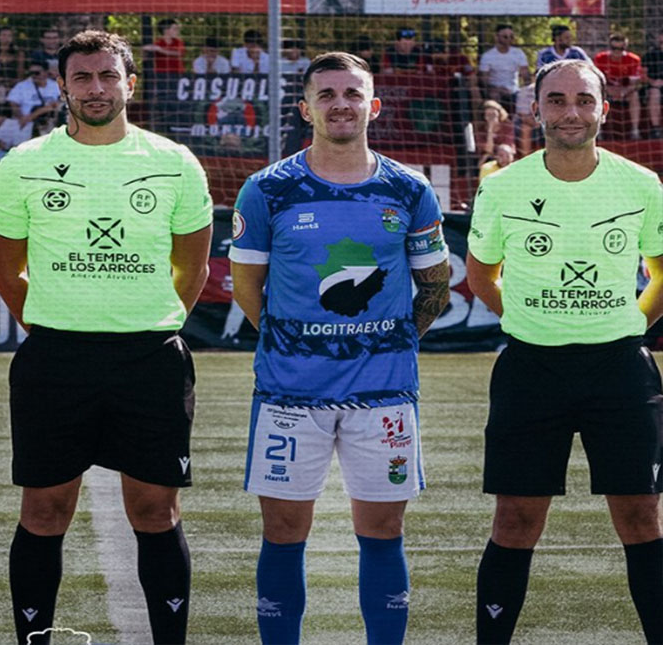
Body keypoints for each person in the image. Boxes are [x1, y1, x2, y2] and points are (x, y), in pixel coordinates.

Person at [0, 30, 213, 645]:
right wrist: (57, 324)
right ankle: (34, 639)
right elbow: (9, 271)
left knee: (155, 512)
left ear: (130, 83)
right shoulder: (24, 165)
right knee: (44, 512)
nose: (97, 88)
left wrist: (151, 317)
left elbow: (193, 270)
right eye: (82, 77)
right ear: (62, 87)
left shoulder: (173, 162)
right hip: (56, 360)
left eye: (109, 75)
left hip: (150, 360)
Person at [229, 52, 452, 645]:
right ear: (306, 109)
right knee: (282, 531)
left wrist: (388, 342)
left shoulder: (408, 189)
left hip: (383, 394)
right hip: (288, 392)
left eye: (352, 93)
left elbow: (434, 287)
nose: (341, 104)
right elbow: (249, 288)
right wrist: (300, 341)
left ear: (373, 106)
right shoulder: (268, 189)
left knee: (382, 530)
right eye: (326, 95)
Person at [467, 58, 663, 645]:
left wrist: (634, 320)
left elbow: (660, 270)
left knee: (641, 520)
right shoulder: (502, 186)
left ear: (604, 108)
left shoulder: (642, 185)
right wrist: (527, 321)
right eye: (556, 100)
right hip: (531, 370)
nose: (570, 112)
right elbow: (481, 275)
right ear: (536, 109)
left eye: (583, 99)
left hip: (621, 371)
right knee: (516, 520)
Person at [593, 33, 645, 139]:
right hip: (607, 90)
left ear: (625, 48)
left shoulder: (634, 59)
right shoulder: (600, 58)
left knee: (634, 96)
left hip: (627, 91)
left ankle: (635, 130)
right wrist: (609, 90)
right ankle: (598, 131)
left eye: (620, 49)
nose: (617, 52)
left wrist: (623, 92)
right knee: (597, 96)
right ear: (609, 47)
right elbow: (596, 80)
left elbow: (637, 82)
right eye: (614, 48)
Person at [479, 24, 529, 114]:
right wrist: (497, 89)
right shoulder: (488, 56)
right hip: (496, 91)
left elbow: (525, 75)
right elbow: (484, 80)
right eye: (505, 37)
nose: (509, 39)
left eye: (511, 36)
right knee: (494, 96)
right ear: (496, 37)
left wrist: (526, 89)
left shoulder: (518, 53)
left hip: (515, 91)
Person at [646, 29, 663, 139]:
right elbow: (642, 76)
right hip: (654, 86)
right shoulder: (651, 55)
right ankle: (656, 128)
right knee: (654, 93)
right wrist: (653, 82)